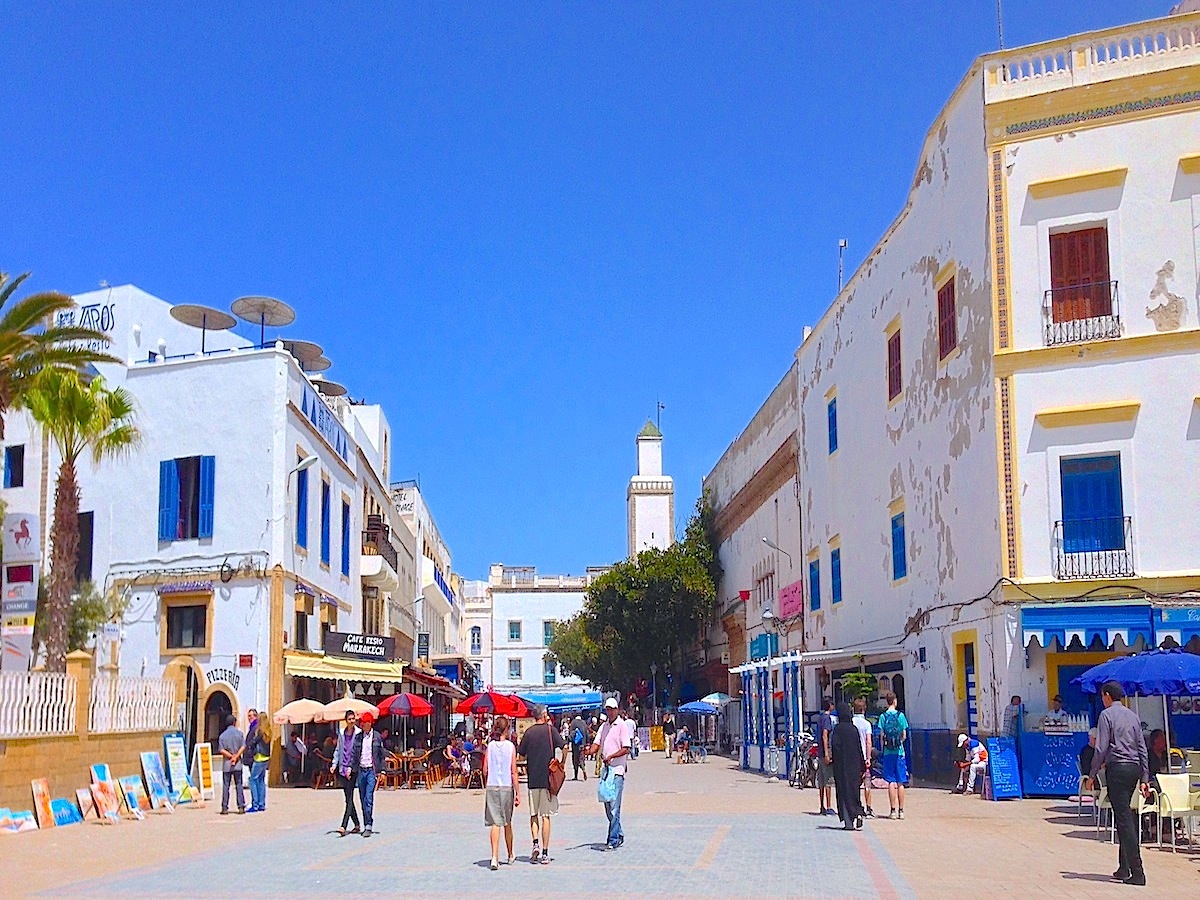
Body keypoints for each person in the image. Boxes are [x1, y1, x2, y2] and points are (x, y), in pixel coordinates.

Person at [1088, 681, 1149, 886]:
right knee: (1126, 816)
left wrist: (1091, 774)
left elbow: (1100, 748)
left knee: (1124, 821)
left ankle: (1137, 871)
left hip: (1118, 769)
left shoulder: (1106, 715)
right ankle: (1124, 867)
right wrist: (1145, 778)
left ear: (1106, 695)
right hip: (1134, 768)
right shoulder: (1132, 716)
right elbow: (1142, 748)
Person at [517, 704, 566, 865]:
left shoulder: (529, 733)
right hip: (547, 781)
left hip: (533, 780)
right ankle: (545, 853)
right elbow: (564, 747)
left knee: (533, 815)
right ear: (544, 715)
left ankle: (535, 843)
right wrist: (562, 763)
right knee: (546, 816)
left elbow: (521, 756)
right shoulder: (551, 731)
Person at [586, 697, 631, 851]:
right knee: (606, 803)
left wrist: (612, 756)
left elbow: (626, 748)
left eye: (612, 709)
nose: (610, 711)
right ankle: (618, 833)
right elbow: (597, 743)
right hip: (607, 771)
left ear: (617, 709)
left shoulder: (622, 726)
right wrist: (588, 751)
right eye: (607, 709)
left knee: (614, 806)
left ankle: (612, 839)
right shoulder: (604, 726)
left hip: (617, 771)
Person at [483, 714, 519, 870]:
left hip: (492, 786)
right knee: (507, 822)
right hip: (506, 786)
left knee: (495, 823)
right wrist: (517, 792)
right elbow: (513, 771)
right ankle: (510, 854)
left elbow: (485, 769)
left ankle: (494, 857)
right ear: (507, 729)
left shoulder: (489, 746)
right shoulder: (510, 747)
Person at [830, 702, 866, 831]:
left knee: (844, 792)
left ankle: (848, 821)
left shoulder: (838, 729)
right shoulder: (853, 729)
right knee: (854, 791)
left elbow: (835, 747)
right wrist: (863, 766)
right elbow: (859, 748)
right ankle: (858, 812)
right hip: (854, 766)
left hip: (841, 767)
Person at [352, 711, 386, 837]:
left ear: (370, 723)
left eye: (365, 723)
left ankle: (368, 825)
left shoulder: (377, 737)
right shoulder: (358, 737)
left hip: (371, 770)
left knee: (368, 798)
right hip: (361, 770)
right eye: (361, 723)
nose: (362, 725)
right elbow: (354, 755)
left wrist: (382, 771)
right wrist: (351, 768)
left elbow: (382, 756)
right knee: (362, 798)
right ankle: (366, 821)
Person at [878, 691, 908, 819]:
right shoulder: (901, 716)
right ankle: (901, 811)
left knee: (891, 781)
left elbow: (881, 736)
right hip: (899, 752)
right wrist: (899, 743)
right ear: (894, 701)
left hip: (888, 752)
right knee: (900, 782)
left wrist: (884, 748)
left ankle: (893, 811)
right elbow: (904, 735)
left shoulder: (883, 716)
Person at [330, 710, 361, 836]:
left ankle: (343, 825)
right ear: (346, 720)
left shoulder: (358, 734)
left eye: (353, 718)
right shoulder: (342, 734)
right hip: (342, 768)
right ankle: (357, 824)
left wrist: (352, 767)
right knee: (348, 797)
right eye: (349, 719)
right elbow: (338, 750)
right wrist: (334, 764)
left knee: (349, 798)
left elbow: (357, 751)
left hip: (353, 769)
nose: (352, 721)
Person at [217, 713, 246, 815]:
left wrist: (230, 756)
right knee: (239, 784)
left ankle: (225, 807)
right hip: (237, 763)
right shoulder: (240, 734)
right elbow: (243, 746)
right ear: (234, 723)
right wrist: (236, 756)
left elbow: (221, 750)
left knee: (226, 785)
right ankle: (241, 806)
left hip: (227, 764)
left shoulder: (222, 736)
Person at [851, 699, 874, 817]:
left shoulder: (851, 722)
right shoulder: (866, 724)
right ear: (864, 709)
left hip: (853, 757)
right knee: (867, 783)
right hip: (864, 757)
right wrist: (868, 757)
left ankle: (856, 805)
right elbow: (868, 742)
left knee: (854, 783)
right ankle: (868, 807)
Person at [815, 698, 836, 816]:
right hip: (825, 752)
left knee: (821, 781)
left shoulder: (819, 718)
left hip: (820, 753)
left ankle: (822, 805)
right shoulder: (827, 718)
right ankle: (828, 806)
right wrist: (827, 752)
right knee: (828, 780)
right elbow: (825, 735)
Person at [247, 715, 272, 812]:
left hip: (259, 757)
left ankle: (255, 804)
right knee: (261, 781)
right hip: (266, 758)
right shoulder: (268, 731)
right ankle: (262, 804)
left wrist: (250, 747)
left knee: (252, 780)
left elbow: (253, 742)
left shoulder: (260, 731)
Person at [569, 715, 588, 781]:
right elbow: (587, 733)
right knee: (581, 759)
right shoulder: (584, 723)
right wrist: (587, 743)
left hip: (575, 745)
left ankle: (575, 775)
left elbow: (570, 734)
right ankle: (584, 770)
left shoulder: (573, 723)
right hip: (582, 745)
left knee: (575, 760)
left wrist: (568, 742)